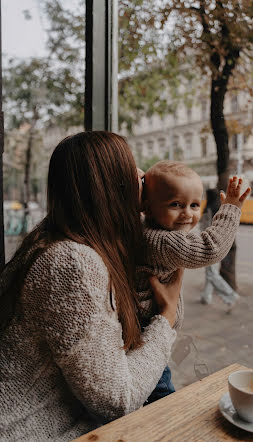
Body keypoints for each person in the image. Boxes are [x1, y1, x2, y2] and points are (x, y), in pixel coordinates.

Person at [0, 131, 184, 442]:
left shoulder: (54, 237)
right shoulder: (72, 262)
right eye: (131, 167)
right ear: (112, 186)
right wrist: (166, 316)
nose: (143, 175)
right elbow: (117, 400)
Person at [136, 161, 250, 401]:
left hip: (149, 335)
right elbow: (212, 248)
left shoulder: (150, 232)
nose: (187, 213)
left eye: (194, 205)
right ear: (146, 206)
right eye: (175, 204)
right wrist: (230, 209)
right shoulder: (162, 241)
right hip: (145, 339)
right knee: (164, 400)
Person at [200, 188, 240, 308]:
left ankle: (230, 295)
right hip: (219, 245)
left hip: (209, 246)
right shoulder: (219, 207)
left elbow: (205, 229)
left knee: (211, 274)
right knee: (211, 272)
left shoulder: (208, 209)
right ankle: (206, 297)